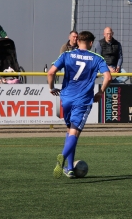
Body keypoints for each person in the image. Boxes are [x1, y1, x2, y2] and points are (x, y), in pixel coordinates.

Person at [47, 31, 112, 179]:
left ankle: (69, 169)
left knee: (71, 131)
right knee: (75, 132)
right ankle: (62, 157)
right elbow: (108, 77)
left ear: (78, 42)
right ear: (90, 43)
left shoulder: (66, 55)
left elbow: (51, 73)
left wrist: (51, 88)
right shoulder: (97, 58)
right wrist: (101, 92)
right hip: (82, 100)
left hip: (66, 98)